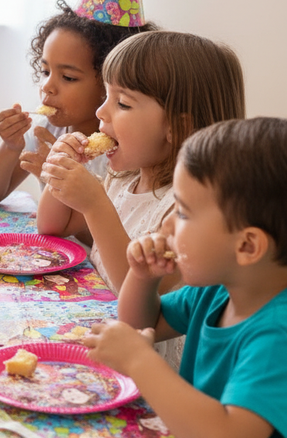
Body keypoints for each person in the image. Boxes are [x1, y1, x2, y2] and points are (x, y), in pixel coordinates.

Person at [83, 117, 287, 438]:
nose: (168, 224)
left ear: (248, 245)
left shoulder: (276, 334)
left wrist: (139, 361)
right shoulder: (218, 291)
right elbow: (142, 323)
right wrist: (143, 276)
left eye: (184, 212)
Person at [36, 31, 245, 369]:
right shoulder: (124, 178)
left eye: (122, 103)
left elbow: (140, 303)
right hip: (100, 333)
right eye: (105, 95)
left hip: (147, 368)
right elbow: (49, 224)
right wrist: (63, 169)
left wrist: (94, 204)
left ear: (177, 128)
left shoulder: (184, 212)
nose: (100, 111)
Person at [0, 0, 157, 205]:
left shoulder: (126, 149)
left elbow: (106, 237)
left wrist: (59, 182)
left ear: (110, 84)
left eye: (68, 77)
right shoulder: (49, 129)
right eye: (46, 70)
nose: (47, 86)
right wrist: (11, 146)